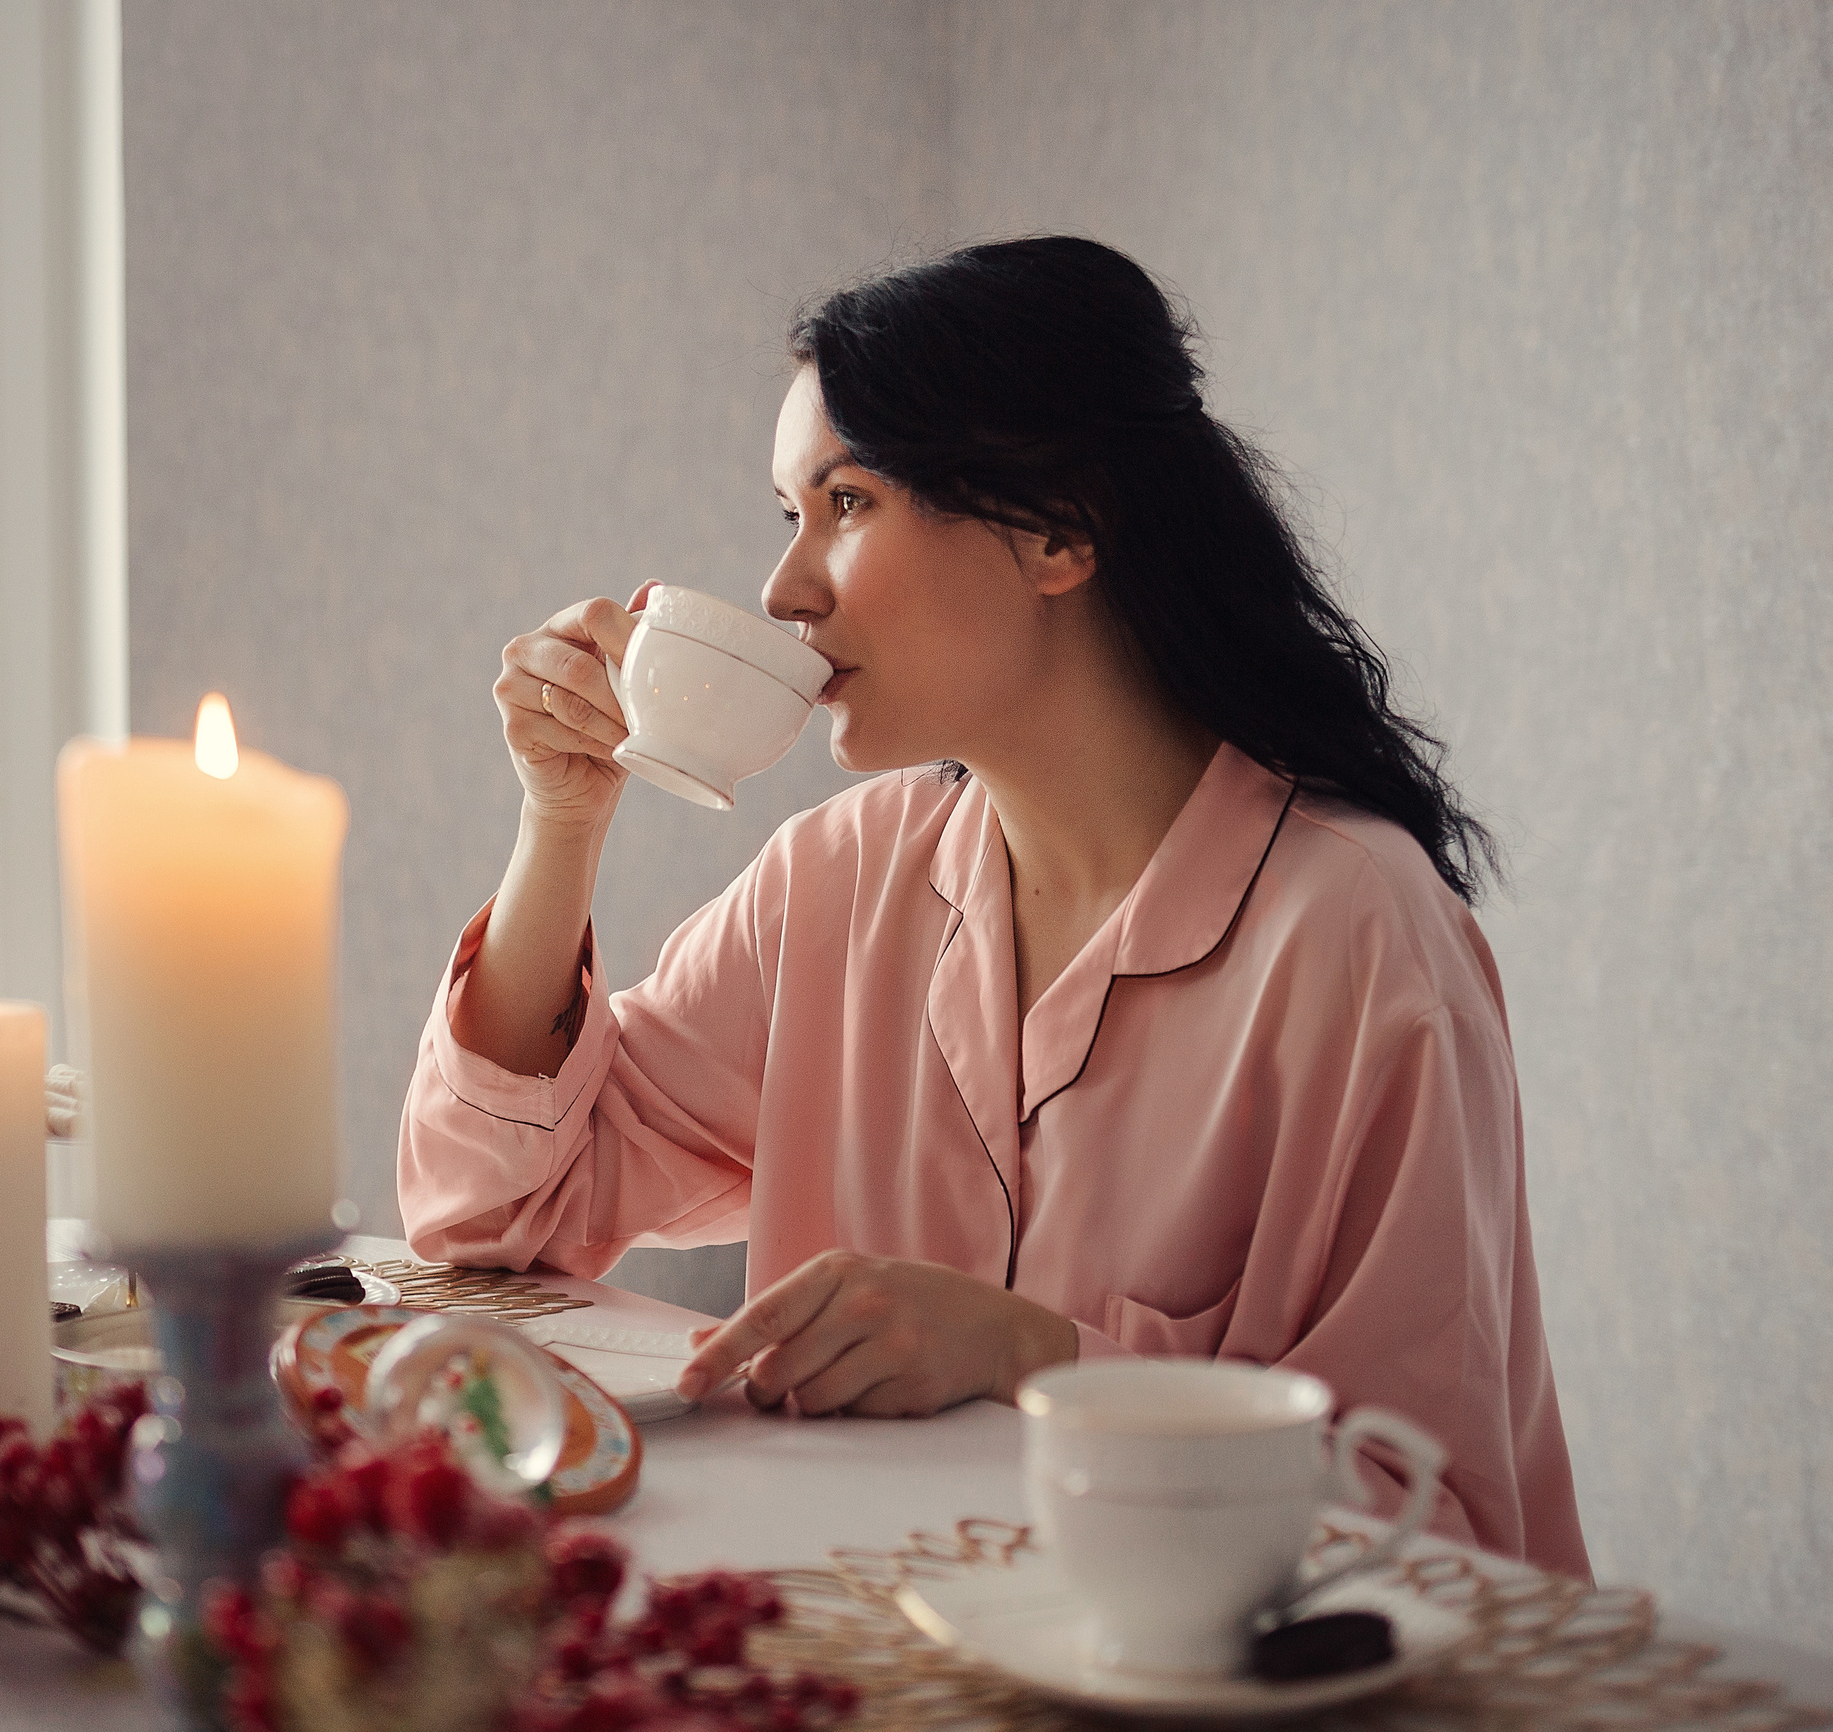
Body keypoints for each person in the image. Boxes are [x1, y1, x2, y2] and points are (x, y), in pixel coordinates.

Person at [396, 237, 1588, 1578]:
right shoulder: (833, 881)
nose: (787, 591)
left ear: (1061, 528)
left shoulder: (1359, 939)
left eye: (846, 503)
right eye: (788, 516)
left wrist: (1034, 1360)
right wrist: (562, 822)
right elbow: (491, 1225)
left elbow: (1442, 1538)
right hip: (887, 1667)